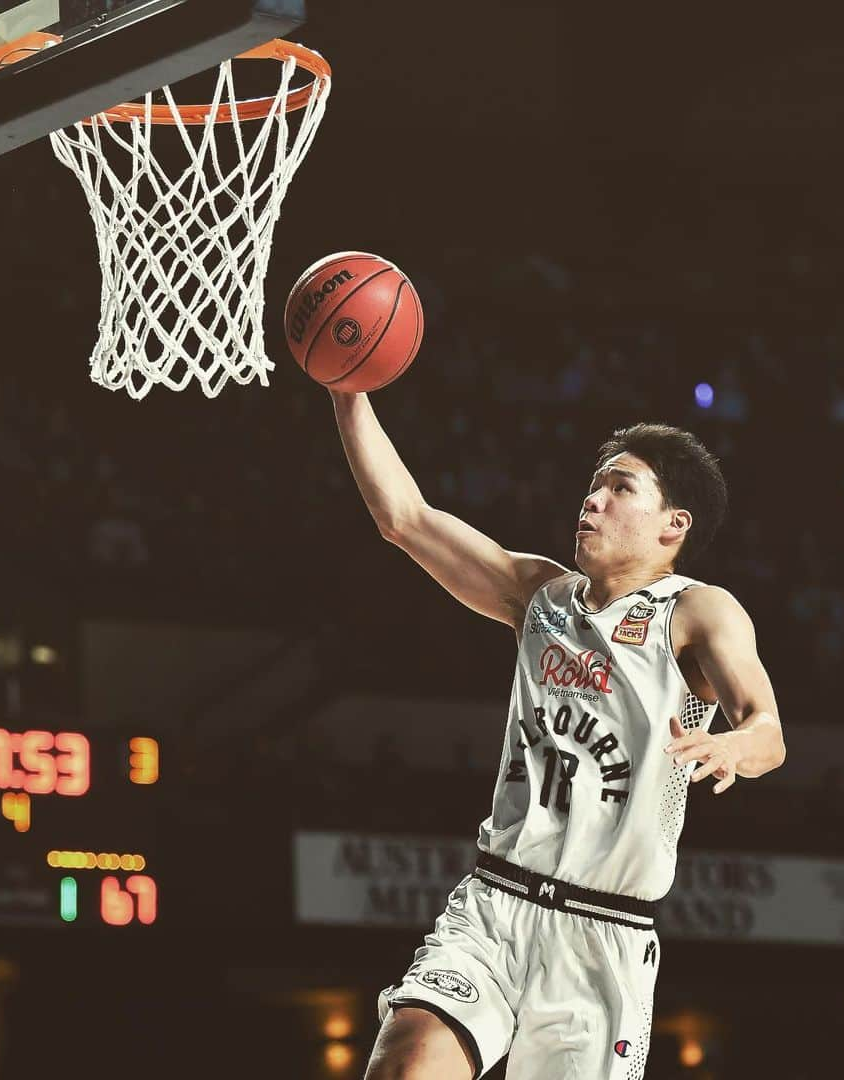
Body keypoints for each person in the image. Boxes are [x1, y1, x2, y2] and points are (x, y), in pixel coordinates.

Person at [329, 391, 786, 1080]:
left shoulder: (696, 611)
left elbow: (768, 729)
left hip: (603, 939)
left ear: (673, 525)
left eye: (620, 487)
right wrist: (347, 393)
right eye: (594, 483)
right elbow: (406, 519)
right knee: (405, 1064)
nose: (593, 499)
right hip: (495, 907)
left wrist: (731, 746)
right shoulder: (540, 596)